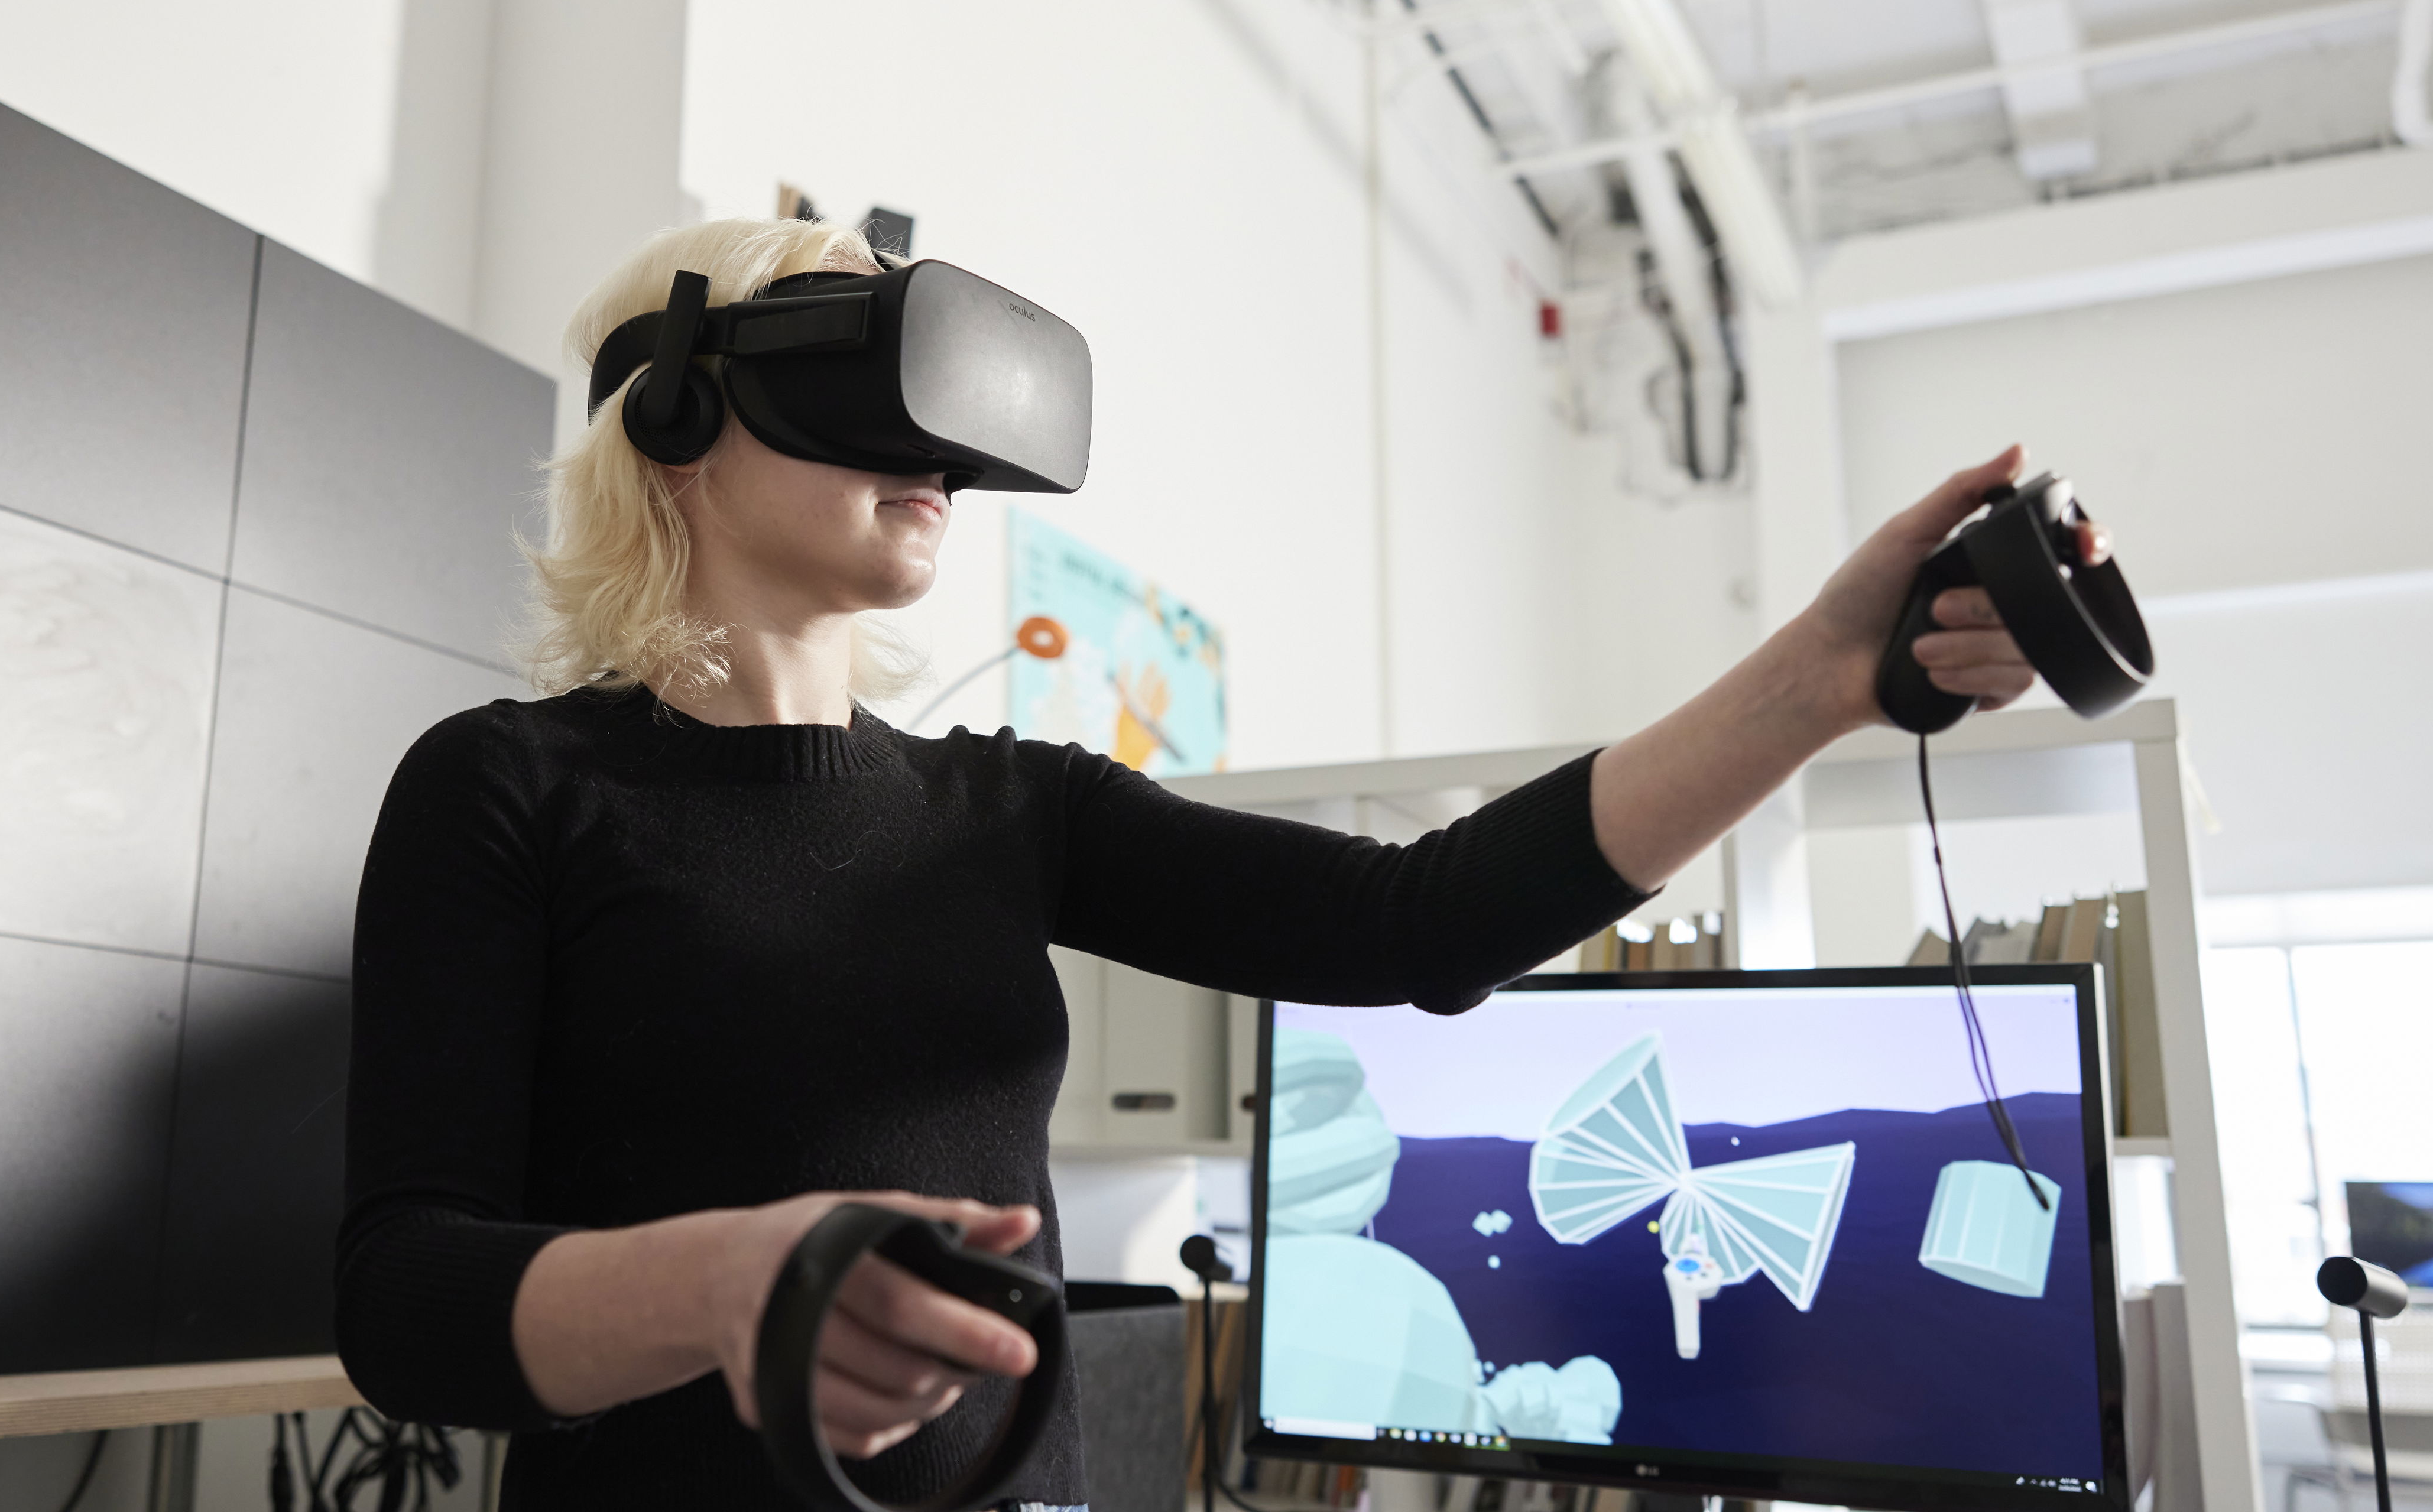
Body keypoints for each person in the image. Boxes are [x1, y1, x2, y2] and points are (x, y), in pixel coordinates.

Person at [332, 216, 2095, 1511]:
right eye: (862, 363)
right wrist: (724, 1286)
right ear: (675, 420)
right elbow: (403, 1306)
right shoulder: (508, 790)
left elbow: (1428, 920)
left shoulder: (1010, 807)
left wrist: (1815, 680)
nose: (939, 451)